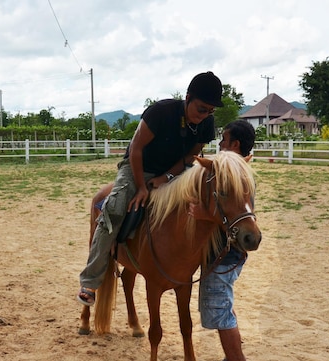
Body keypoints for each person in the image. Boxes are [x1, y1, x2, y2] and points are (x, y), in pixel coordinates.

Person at [77, 71, 224, 307]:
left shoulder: (206, 123)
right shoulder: (160, 112)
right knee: (113, 209)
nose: (205, 115)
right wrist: (143, 188)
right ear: (188, 97)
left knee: (208, 199)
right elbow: (135, 149)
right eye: (201, 108)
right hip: (137, 167)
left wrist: (166, 177)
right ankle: (90, 281)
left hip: (174, 171)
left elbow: (190, 156)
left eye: (210, 111)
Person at [196, 120, 256, 361]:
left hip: (224, 255)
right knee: (226, 308)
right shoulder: (243, 170)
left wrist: (203, 214)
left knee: (222, 314)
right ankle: (237, 360)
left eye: (224, 140)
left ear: (234, 145)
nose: (220, 144)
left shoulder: (230, 172)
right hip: (234, 254)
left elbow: (228, 213)